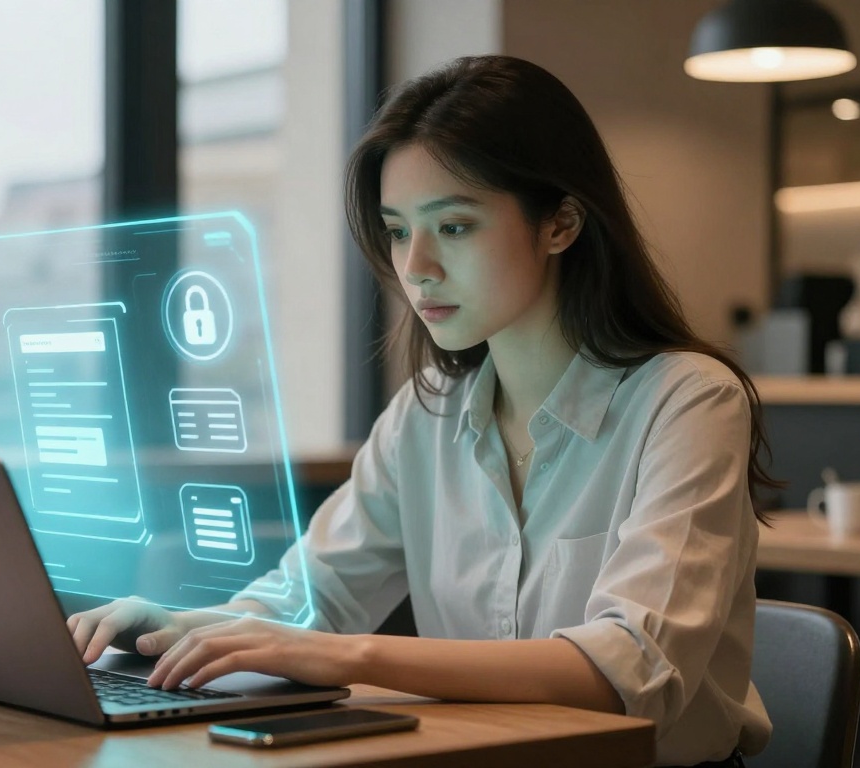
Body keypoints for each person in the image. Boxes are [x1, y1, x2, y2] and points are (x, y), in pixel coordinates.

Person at [67, 54, 774, 767]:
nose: (416, 266)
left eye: (455, 227)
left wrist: (350, 656)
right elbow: (309, 599)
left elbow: (629, 672)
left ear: (561, 224)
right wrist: (175, 627)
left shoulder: (689, 400)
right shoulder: (426, 417)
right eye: (399, 230)